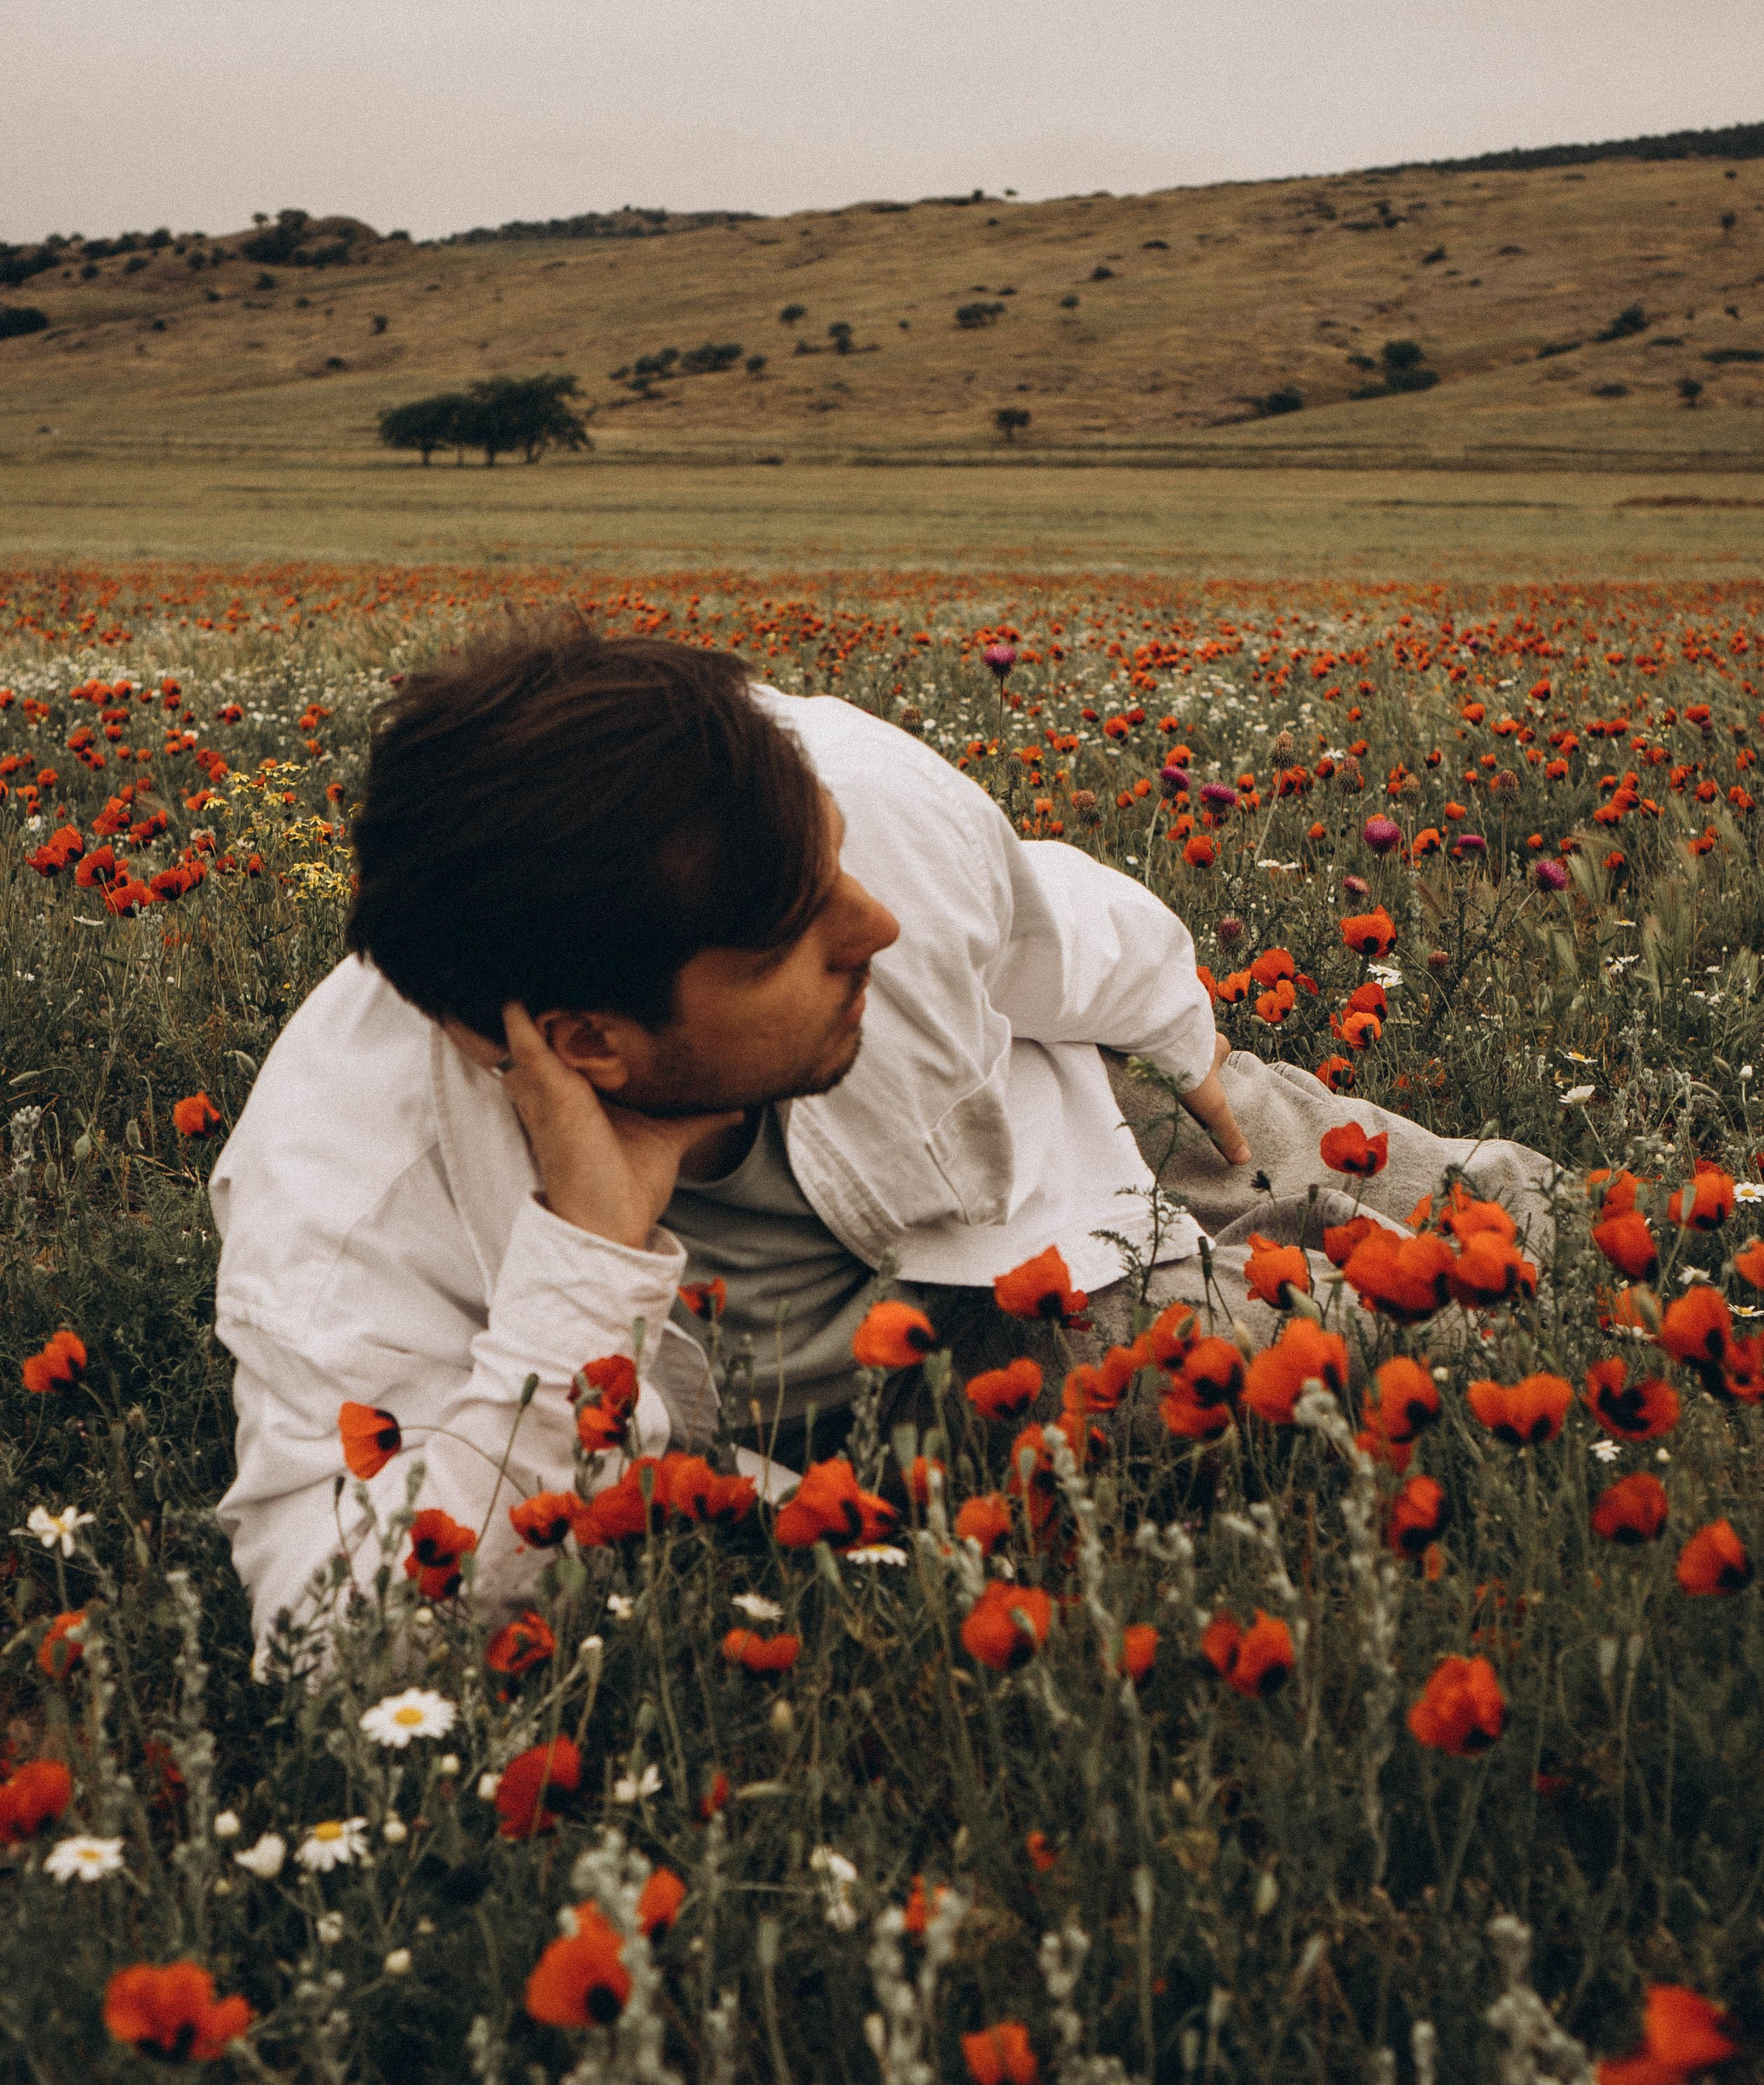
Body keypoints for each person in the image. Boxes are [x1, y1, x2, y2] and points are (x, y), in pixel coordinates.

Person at [211, 625, 1546, 1638]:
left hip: (1015, 1167)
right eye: (796, 930)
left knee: (1503, 1225)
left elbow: (1043, 923)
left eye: (843, 862)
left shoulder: (841, 805)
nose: (875, 925)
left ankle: (1262, 1145)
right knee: (1333, 1347)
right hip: (897, 1386)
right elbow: (341, 1638)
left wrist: (1193, 1048)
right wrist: (583, 1270)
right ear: (589, 1044)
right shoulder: (347, 1202)